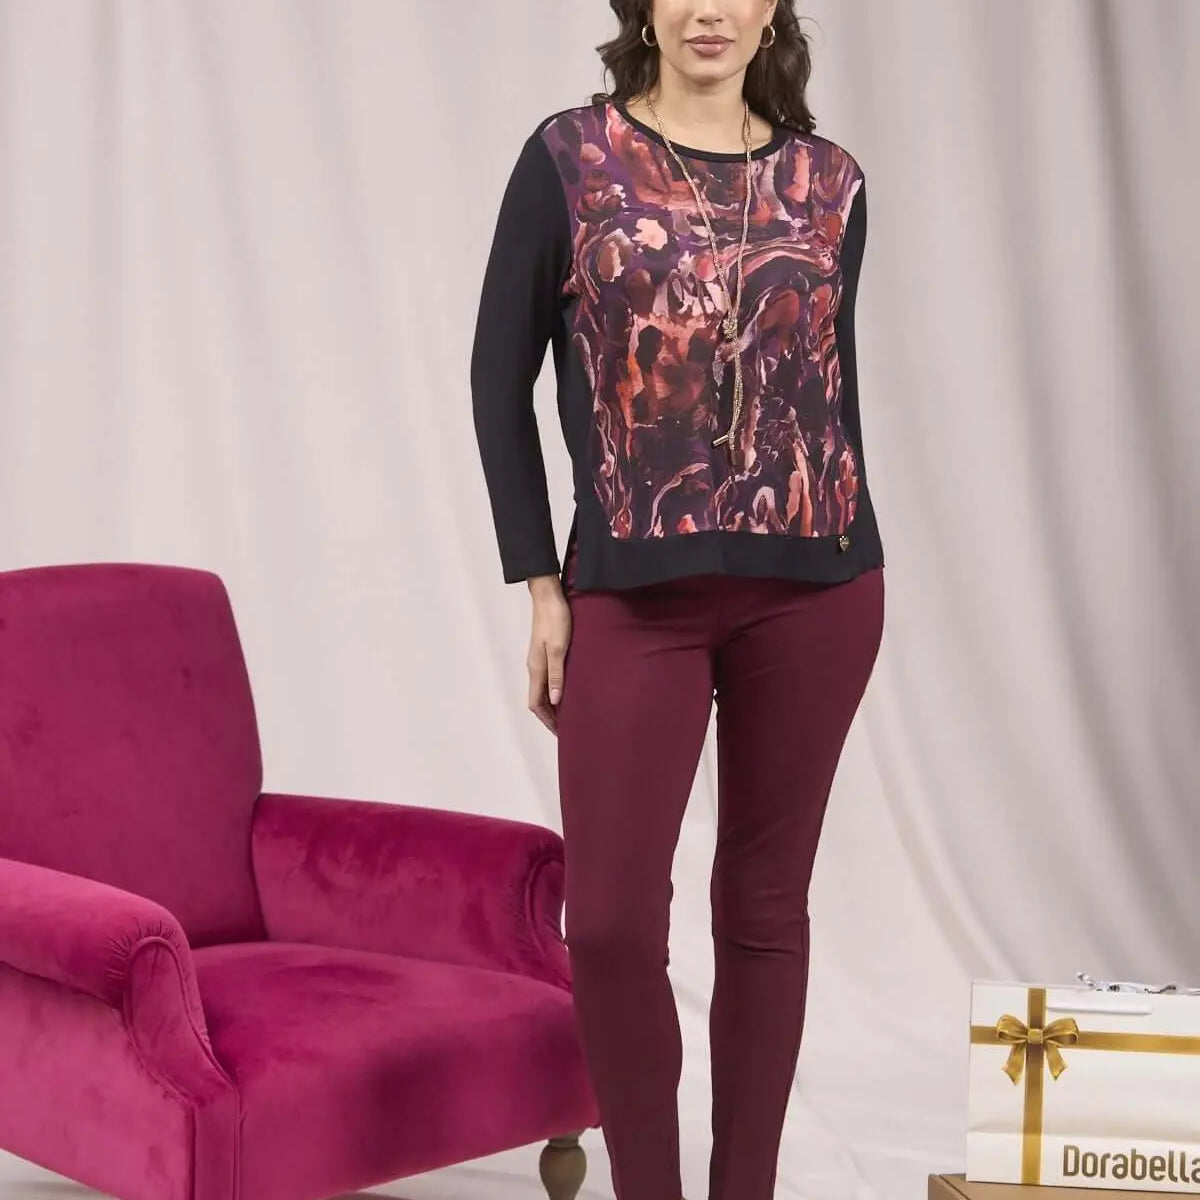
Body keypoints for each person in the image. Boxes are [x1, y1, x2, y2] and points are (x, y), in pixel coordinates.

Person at [469, 3, 885, 1198]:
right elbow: (498, 378)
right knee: (607, 921)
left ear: (772, 9)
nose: (709, 9)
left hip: (815, 588)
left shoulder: (831, 182)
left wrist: (852, 543)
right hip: (634, 589)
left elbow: (829, 389)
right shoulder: (570, 157)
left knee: (763, 909)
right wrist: (543, 584)